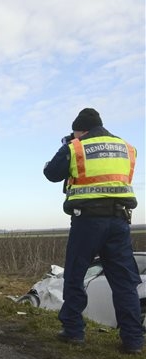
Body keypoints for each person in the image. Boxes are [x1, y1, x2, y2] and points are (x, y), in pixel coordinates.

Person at [43, 108, 143, 354]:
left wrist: (68, 145)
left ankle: (74, 331)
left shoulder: (76, 147)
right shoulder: (127, 148)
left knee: (76, 275)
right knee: (124, 283)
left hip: (87, 222)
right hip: (119, 221)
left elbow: (51, 173)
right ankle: (133, 340)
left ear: (80, 129)